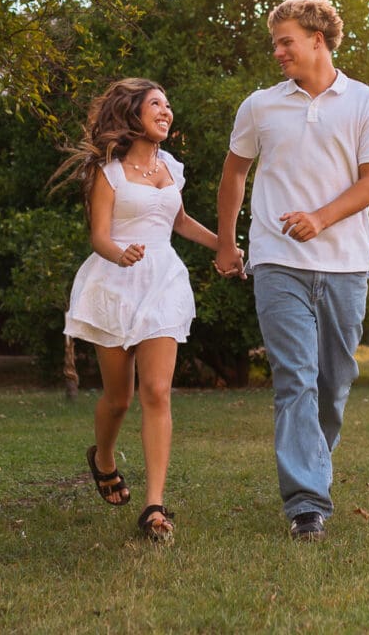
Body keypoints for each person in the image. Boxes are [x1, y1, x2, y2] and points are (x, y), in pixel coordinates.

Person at [215, 0, 369, 542]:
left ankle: (310, 466)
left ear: (319, 39)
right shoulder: (260, 107)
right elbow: (233, 176)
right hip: (277, 262)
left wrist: (319, 218)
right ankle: (306, 505)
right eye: (275, 43)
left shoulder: (366, 102)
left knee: (334, 384)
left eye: (286, 40)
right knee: (295, 379)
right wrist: (228, 243)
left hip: (344, 266)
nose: (278, 52)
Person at [56, 77, 226, 544]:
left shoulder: (171, 166)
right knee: (119, 398)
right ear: (132, 114)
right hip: (114, 283)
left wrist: (224, 247)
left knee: (156, 390)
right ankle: (104, 459)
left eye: (168, 105)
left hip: (163, 282)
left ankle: (154, 506)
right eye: (156, 104)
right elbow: (99, 236)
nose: (167, 111)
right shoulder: (106, 174)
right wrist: (119, 255)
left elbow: (180, 221)